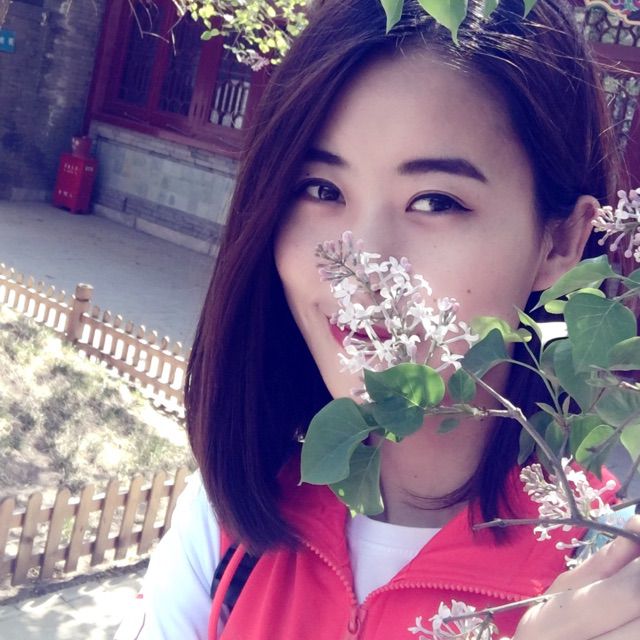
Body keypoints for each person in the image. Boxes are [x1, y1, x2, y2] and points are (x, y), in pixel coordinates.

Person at [116, 1, 640, 638]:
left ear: (559, 242)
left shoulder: (604, 577)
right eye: (321, 189)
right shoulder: (224, 531)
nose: (359, 269)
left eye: (436, 201)